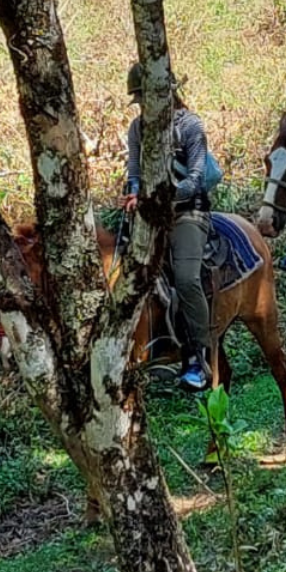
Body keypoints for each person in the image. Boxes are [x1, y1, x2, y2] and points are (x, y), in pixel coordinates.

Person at [121, 63, 212, 391]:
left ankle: (200, 357)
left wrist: (163, 196)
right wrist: (132, 192)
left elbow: (197, 178)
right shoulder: (137, 129)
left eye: (149, 95)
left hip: (188, 213)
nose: (145, 103)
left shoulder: (190, 125)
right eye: (140, 97)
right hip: (149, 216)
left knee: (186, 280)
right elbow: (133, 169)